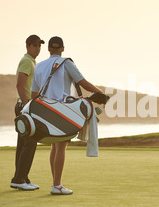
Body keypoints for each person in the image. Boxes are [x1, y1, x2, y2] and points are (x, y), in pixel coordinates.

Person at [31, 36, 104, 195]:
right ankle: (57, 185)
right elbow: (83, 83)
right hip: (63, 110)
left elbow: (33, 94)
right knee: (61, 146)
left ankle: (55, 183)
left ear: (49, 49)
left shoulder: (39, 66)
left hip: (45, 109)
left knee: (54, 146)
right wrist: (100, 93)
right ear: (62, 49)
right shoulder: (66, 63)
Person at [11, 34, 44, 191]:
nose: (38, 49)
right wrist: (27, 107)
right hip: (24, 107)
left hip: (23, 106)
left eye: (39, 46)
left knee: (23, 144)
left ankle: (21, 177)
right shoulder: (26, 61)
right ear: (27, 46)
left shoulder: (31, 62)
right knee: (30, 143)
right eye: (35, 45)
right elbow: (20, 85)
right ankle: (19, 178)